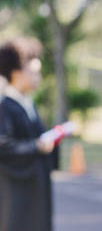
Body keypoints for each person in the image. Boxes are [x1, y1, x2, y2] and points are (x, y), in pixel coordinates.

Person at [0, 38, 55, 231]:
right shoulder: (5, 107)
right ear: (16, 73)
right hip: (16, 191)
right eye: (33, 72)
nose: (37, 78)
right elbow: (3, 146)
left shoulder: (28, 104)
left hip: (36, 186)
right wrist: (36, 146)